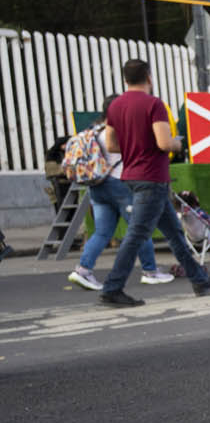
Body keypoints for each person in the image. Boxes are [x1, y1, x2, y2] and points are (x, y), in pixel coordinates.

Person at [96, 60, 210, 306]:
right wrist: (179, 142)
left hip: (132, 174)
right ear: (149, 77)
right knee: (137, 234)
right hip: (151, 176)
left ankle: (199, 279)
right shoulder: (154, 105)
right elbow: (164, 143)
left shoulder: (116, 106)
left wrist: (134, 147)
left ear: (125, 79)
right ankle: (112, 288)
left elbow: (111, 145)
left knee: (174, 231)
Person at [68, 97, 174, 291]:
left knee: (102, 232)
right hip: (119, 184)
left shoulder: (92, 132)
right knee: (139, 228)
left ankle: (83, 270)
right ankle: (150, 271)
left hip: (97, 186)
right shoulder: (117, 132)